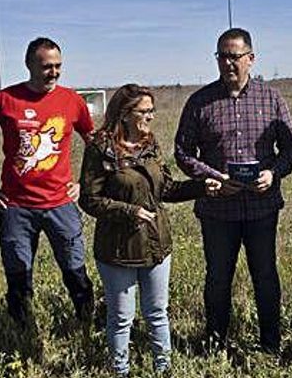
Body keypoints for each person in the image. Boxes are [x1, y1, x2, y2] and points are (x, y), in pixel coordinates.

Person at [79, 84, 221, 375]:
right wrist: (129, 212)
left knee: (157, 313)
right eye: (144, 111)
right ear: (125, 113)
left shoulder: (150, 144)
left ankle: (164, 368)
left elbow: (165, 188)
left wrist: (200, 187)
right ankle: (120, 370)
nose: (151, 116)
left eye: (152, 110)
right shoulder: (100, 148)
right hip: (118, 248)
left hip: (156, 243)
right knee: (122, 317)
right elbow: (89, 199)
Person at [174, 27, 292, 353]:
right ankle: (216, 344)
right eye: (223, 56)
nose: (229, 63)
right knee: (217, 280)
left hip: (262, 207)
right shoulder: (200, 101)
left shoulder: (271, 98)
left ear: (251, 59)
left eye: (236, 57)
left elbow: (290, 148)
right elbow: (183, 152)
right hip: (218, 210)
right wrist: (212, 178)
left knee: (266, 278)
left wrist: (273, 173)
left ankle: (270, 345)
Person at [0, 37, 94, 328]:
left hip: (61, 205)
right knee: (18, 280)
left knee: (76, 274)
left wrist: (84, 183)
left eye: (58, 66)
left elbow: (94, 143)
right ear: (29, 65)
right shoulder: (5, 100)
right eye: (47, 66)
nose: (54, 72)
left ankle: (88, 327)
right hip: (16, 208)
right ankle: (22, 334)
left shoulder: (72, 100)